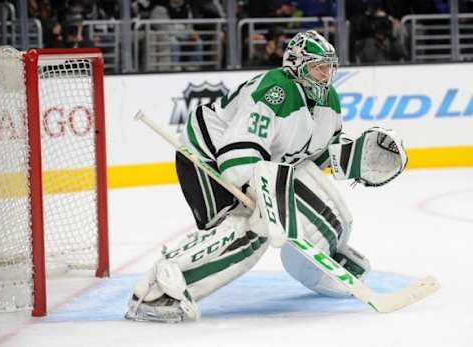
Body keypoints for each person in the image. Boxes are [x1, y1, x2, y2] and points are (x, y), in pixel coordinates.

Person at [125, 30, 408, 323]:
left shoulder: (328, 100)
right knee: (251, 229)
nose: (326, 74)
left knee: (307, 196)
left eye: (329, 66)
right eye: (318, 66)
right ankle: (161, 290)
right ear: (295, 66)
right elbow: (238, 149)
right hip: (208, 156)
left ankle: (325, 260)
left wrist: (353, 158)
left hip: (259, 164)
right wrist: (260, 196)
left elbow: (311, 156)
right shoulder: (276, 91)